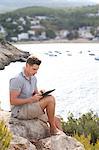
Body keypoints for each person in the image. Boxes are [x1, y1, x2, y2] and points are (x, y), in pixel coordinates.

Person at [9, 55, 63, 135]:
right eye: (34, 69)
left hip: (30, 106)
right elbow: (13, 101)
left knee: (57, 120)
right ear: (27, 66)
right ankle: (52, 129)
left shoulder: (33, 78)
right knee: (50, 99)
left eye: (37, 70)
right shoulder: (17, 79)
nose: (35, 72)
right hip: (19, 111)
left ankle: (61, 140)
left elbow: (35, 93)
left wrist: (41, 93)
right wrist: (31, 99)